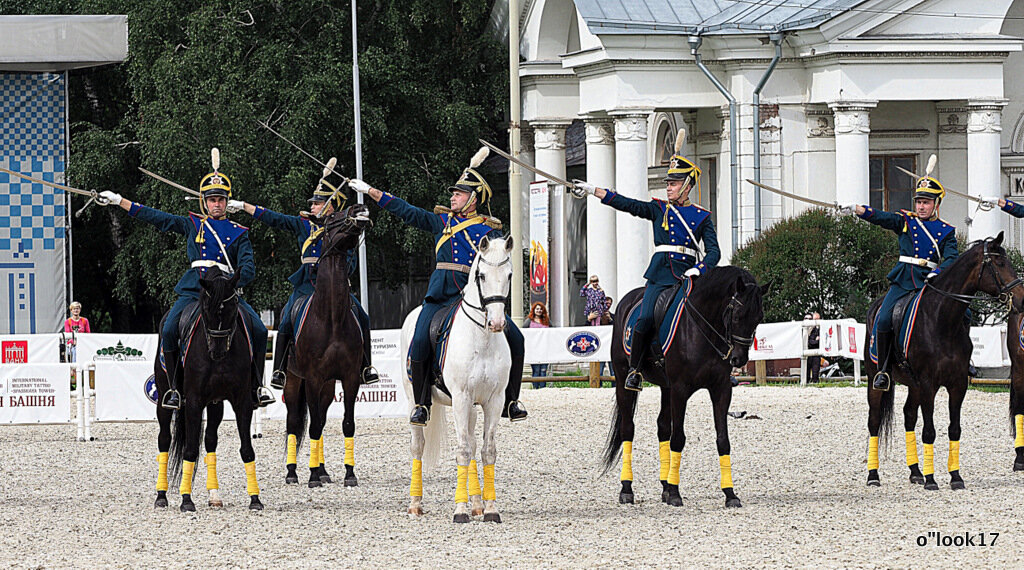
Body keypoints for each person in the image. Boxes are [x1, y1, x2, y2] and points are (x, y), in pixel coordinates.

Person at [348, 147, 528, 426]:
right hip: (442, 293)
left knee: (516, 338)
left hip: (475, 297)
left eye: (458, 193)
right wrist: (371, 191)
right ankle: (421, 403)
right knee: (419, 339)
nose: (452, 197)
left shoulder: (490, 231)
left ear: (474, 199)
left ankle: (513, 400)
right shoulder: (441, 222)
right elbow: (406, 211)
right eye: (453, 193)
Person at [99, 150, 274, 410]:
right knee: (169, 329)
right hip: (194, 289)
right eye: (212, 200)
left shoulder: (240, 233)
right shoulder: (193, 224)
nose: (217, 204)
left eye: (221, 200)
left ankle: (256, 386)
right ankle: (172, 389)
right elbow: (157, 217)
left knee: (259, 330)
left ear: (227, 203)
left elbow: (248, 268)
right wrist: (120, 202)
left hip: (225, 292)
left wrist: (229, 284)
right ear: (204, 202)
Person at [575, 128, 721, 392]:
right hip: (661, 275)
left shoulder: (702, 217)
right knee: (644, 319)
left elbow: (714, 252)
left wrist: (699, 270)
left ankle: (719, 367)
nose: (668, 187)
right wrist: (595, 191)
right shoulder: (658, 209)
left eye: (673, 183)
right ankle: (635, 370)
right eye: (667, 183)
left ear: (687, 186)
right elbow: (630, 204)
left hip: (688, 276)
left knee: (711, 315)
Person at [232, 163, 378, 389]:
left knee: (363, 317)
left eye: (317, 203)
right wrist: (244, 206)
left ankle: (366, 366)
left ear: (331, 205)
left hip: (335, 286)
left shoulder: (343, 226)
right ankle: (279, 370)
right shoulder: (303, 224)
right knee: (286, 319)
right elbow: (274, 218)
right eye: (312, 203)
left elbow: (350, 260)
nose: (313, 206)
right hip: (306, 284)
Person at [841, 166, 957, 391]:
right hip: (905, 279)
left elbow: (953, 257)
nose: (921, 207)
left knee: (963, 314)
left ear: (936, 204)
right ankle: (883, 370)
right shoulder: (906, 221)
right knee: (884, 318)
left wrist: (939, 272)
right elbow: (882, 218)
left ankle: (962, 360)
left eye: (926, 202)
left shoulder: (947, 231)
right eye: (919, 202)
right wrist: (857, 209)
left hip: (931, 282)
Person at [525, 302, 550, 389]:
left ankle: (543, 389)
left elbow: (553, 331)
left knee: (543, 371)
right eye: (537, 309)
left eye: (540, 309)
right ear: (534, 310)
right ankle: (535, 388)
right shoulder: (529, 321)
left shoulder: (547, 321)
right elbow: (523, 331)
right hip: (534, 350)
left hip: (545, 349)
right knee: (536, 370)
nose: (539, 311)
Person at [806, 312, 820, 384]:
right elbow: (809, 342)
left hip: (816, 353)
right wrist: (816, 341)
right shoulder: (805, 329)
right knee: (806, 372)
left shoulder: (819, 329)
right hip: (807, 353)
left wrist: (815, 341)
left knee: (815, 372)